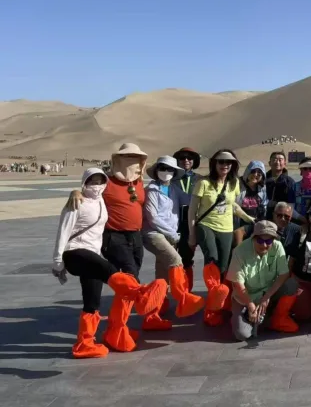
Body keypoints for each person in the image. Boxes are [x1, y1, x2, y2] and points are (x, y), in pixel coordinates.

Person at [53, 168, 167, 357]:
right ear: (85, 181)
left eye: (100, 181)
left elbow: (122, 188)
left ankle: (85, 343)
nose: (96, 185)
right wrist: (58, 262)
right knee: (111, 271)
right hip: (74, 253)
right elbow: (63, 231)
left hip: (94, 254)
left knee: (92, 299)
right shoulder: (76, 202)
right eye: (92, 181)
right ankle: (140, 294)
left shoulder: (101, 201)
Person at [65, 143, 152, 349]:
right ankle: (116, 328)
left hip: (135, 237)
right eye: (127, 156)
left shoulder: (139, 182)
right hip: (113, 237)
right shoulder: (107, 181)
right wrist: (75, 191)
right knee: (130, 276)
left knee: (130, 276)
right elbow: (90, 188)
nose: (132, 160)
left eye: (136, 157)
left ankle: (117, 327)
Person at [187, 149, 253, 326]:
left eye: (228, 162)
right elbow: (192, 211)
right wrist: (192, 235)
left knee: (224, 267)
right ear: (214, 164)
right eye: (221, 162)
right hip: (206, 225)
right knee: (212, 261)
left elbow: (234, 207)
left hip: (227, 228)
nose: (225, 165)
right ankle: (211, 309)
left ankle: (221, 302)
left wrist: (249, 218)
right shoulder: (203, 183)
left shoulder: (234, 184)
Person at [142, 156, 206, 330]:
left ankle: (154, 312)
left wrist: (206, 187)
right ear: (156, 171)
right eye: (162, 168)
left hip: (171, 236)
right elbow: (152, 218)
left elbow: (190, 200)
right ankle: (183, 298)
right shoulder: (152, 190)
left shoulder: (174, 189)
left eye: (170, 169)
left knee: (162, 275)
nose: (166, 172)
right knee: (175, 260)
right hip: (155, 234)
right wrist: (172, 233)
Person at [227, 220, 299, 341]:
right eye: (260, 240)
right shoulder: (240, 251)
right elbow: (237, 283)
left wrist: (266, 297)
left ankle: (275, 318)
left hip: (268, 291)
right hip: (245, 296)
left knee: (291, 285)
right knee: (242, 335)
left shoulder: (277, 246)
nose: (264, 245)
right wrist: (250, 305)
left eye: (268, 241)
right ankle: (247, 317)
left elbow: (284, 274)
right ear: (253, 238)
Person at [172, 147, 201, 289]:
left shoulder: (200, 179)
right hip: (176, 223)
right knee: (179, 259)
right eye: (182, 158)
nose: (186, 161)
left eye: (189, 158)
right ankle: (182, 292)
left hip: (197, 221)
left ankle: (187, 291)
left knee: (190, 258)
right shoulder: (171, 179)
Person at [232, 161, 268, 248]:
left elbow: (264, 205)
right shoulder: (237, 184)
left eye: (259, 173)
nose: (255, 175)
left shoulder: (262, 188)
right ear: (247, 171)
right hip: (237, 225)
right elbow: (232, 205)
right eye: (253, 171)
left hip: (254, 226)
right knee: (237, 250)